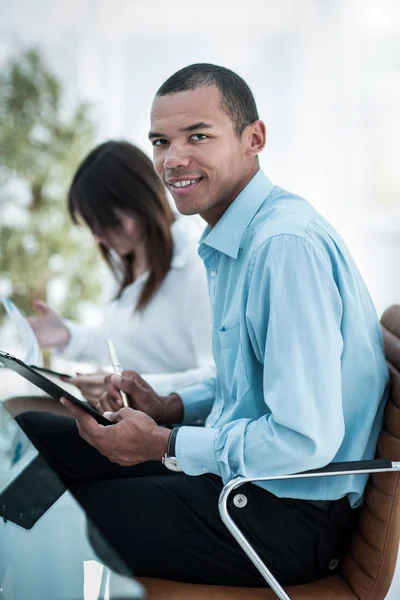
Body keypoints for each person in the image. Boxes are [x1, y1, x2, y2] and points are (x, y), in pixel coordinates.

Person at [17, 64, 388, 588]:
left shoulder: (282, 248)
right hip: (244, 481)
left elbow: (304, 439)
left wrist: (168, 444)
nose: (173, 159)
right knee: (30, 434)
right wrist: (172, 408)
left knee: (53, 512)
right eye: (160, 141)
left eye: (198, 136)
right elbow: (248, 380)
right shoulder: (234, 241)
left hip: (280, 516)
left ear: (253, 139)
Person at [8, 140, 214, 414]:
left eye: (110, 222)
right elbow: (124, 344)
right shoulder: (124, 265)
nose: (99, 237)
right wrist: (66, 335)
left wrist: (131, 387)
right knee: (17, 409)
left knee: (29, 415)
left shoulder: (197, 265)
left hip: (172, 434)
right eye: (92, 225)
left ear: (144, 201)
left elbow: (218, 379)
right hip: (128, 419)